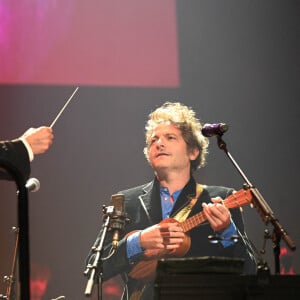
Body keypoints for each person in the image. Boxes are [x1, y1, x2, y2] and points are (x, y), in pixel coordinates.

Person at [86, 102, 257, 300]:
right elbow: (94, 267)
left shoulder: (220, 199)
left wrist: (227, 230)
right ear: (148, 154)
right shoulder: (126, 201)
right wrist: (138, 241)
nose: (159, 143)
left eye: (170, 137)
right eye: (153, 140)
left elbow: (249, 270)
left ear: (193, 152)